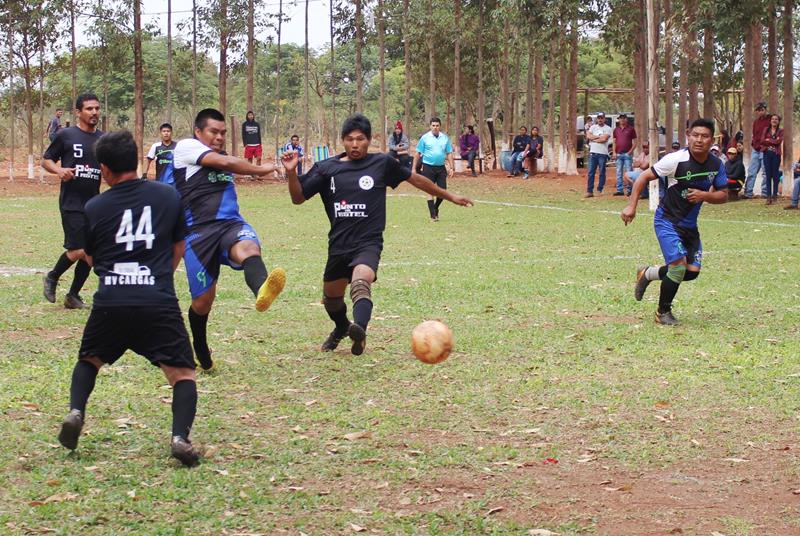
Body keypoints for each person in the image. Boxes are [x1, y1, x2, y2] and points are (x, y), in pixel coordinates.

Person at [56, 130, 201, 467]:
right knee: (182, 375)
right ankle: (179, 437)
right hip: (158, 301)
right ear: (137, 159)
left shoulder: (95, 206)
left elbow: (89, 257)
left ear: (104, 169)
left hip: (111, 302)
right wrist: (157, 276)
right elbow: (179, 247)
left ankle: (76, 412)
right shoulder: (168, 196)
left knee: (89, 360)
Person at [282, 114, 472, 355]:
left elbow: (416, 179)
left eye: (360, 139)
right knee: (331, 299)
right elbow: (297, 198)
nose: (355, 144)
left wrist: (449, 196)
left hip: (368, 243)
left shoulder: (382, 163)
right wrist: (290, 173)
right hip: (338, 244)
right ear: (342, 141)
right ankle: (342, 327)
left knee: (361, 282)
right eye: (349, 139)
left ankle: (359, 330)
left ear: (369, 140)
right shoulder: (326, 168)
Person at [173, 108, 287, 371]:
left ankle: (262, 288)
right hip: (198, 235)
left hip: (230, 225)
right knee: (203, 302)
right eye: (214, 132)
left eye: (223, 133)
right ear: (198, 131)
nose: (219, 137)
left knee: (249, 248)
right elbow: (226, 164)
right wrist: (261, 169)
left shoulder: (222, 156)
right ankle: (200, 348)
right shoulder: (186, 148)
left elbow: (226, 161)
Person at [621, 118, 728, 326]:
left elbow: (724, 195)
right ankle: (663, 313)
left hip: (689, 226)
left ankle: (648, 273)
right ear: (688, 135)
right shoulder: (675, 160)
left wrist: (704, 195)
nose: (699, 140)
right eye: (695, 135)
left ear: (711, 139)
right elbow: (643, 177)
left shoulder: (717, 164)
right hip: (667, 221)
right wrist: (631, 206)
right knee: (678, 268)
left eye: (704, 136)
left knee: (690, 273)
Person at [41, 93, 104, 309]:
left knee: (91, 252)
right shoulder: (66, 135)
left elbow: (109, 168)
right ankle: (52, 276)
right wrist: (59, 170)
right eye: (89, 109)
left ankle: (73, 296)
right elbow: (46, 160)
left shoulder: (103, 139)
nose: (94, 112)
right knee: (80, 250)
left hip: (95, 204)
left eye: (96, 108)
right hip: (72, 202)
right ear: (78, 112)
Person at [412, 117, 455, 221]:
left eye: (437, 125)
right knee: (429, 190)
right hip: (428, 167)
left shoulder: (445, 138)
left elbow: (449, 153)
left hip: (441, 167)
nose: (435, 127)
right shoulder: (425, 138)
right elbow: (417, 153)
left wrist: (451, 167)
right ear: (430, 126)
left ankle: (435, 208)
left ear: (440, 126)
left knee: (443, 191)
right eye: (433, 125)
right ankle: (432, 215)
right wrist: (413, 168)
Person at [743, 102, 771, 199]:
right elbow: (754, 134)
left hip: (765, 149)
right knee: (752, 172)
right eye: (758, 110)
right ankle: (748, 193)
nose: (760, 112)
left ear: (765, 109)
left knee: (765, 172)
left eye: (761, 110)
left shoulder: (770, 120)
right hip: (756, 149)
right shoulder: (756, 122)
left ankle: (765, 193)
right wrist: (753, 143)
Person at [585, 112, 612, 197]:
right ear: (597, 119)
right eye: (599, 118)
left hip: (602, 153)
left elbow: (604, 139)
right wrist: (598, 138)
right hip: (593, 152)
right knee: (591, 172)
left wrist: (594, 138)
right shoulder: (593, 127)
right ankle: (589, 191)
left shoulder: (608, 128)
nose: (600, 120)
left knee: (602, 172)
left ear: (604, 119)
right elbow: (588, 136)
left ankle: (599, 189)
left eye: (601, 118)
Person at [761, 114, 784, 205]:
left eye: (776, 119)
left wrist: (768, 140)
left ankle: (775, 196)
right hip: (766, 154)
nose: (774, 120)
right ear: (770, 120)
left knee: (775, 175)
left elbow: (779, 141)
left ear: (778, 121)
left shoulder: (781, 131)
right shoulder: (766, 130)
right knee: (768, 175)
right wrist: (773, 140)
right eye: (773, 119)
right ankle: (768, 197)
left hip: (776, 155)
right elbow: (762, 140)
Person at [612, 114, 637, 196]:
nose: (622, 120)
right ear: (619, 120)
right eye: (620, 119)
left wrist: (630, 152)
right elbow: (614, 142)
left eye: (623, 118)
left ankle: (630, 190)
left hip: (627, 154)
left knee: (629, 172)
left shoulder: (631, 129)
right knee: (619, 172)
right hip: (618, 154)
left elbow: (635, 143)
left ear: (626, 119)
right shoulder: (616, 130)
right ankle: (620, 190)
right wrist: (614, 152)